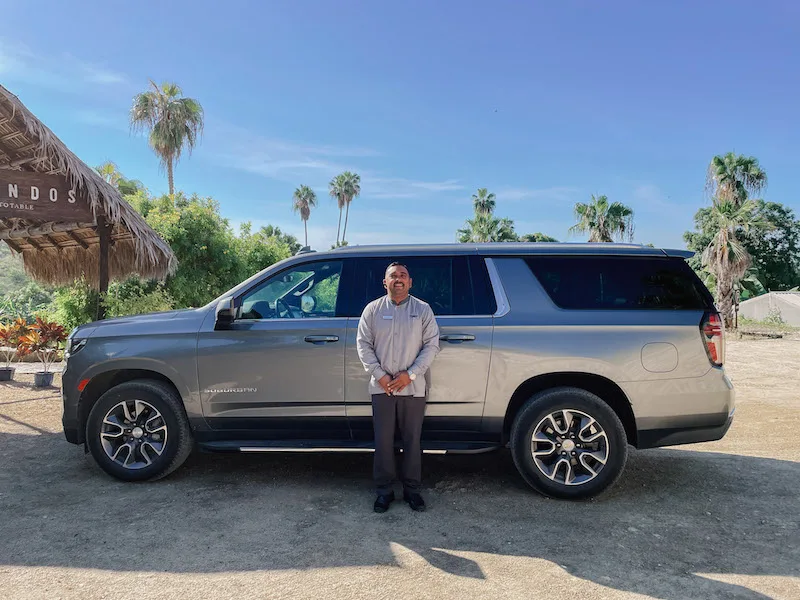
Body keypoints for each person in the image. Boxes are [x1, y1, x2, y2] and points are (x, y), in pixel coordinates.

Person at [356, 262, 440, 513]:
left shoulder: (423, 310)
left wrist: (411, 375)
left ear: (410, 282)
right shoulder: (372, 310)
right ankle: (384, 491)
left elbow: (432, 346)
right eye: (393, 276)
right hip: (382, 388)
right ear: (385, 283)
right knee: (383, 441)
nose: (398, 279)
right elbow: (363, 346)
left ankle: (412, 490)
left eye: (403, 275)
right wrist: (380, 376)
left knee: (412, 440)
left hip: (412, 388)